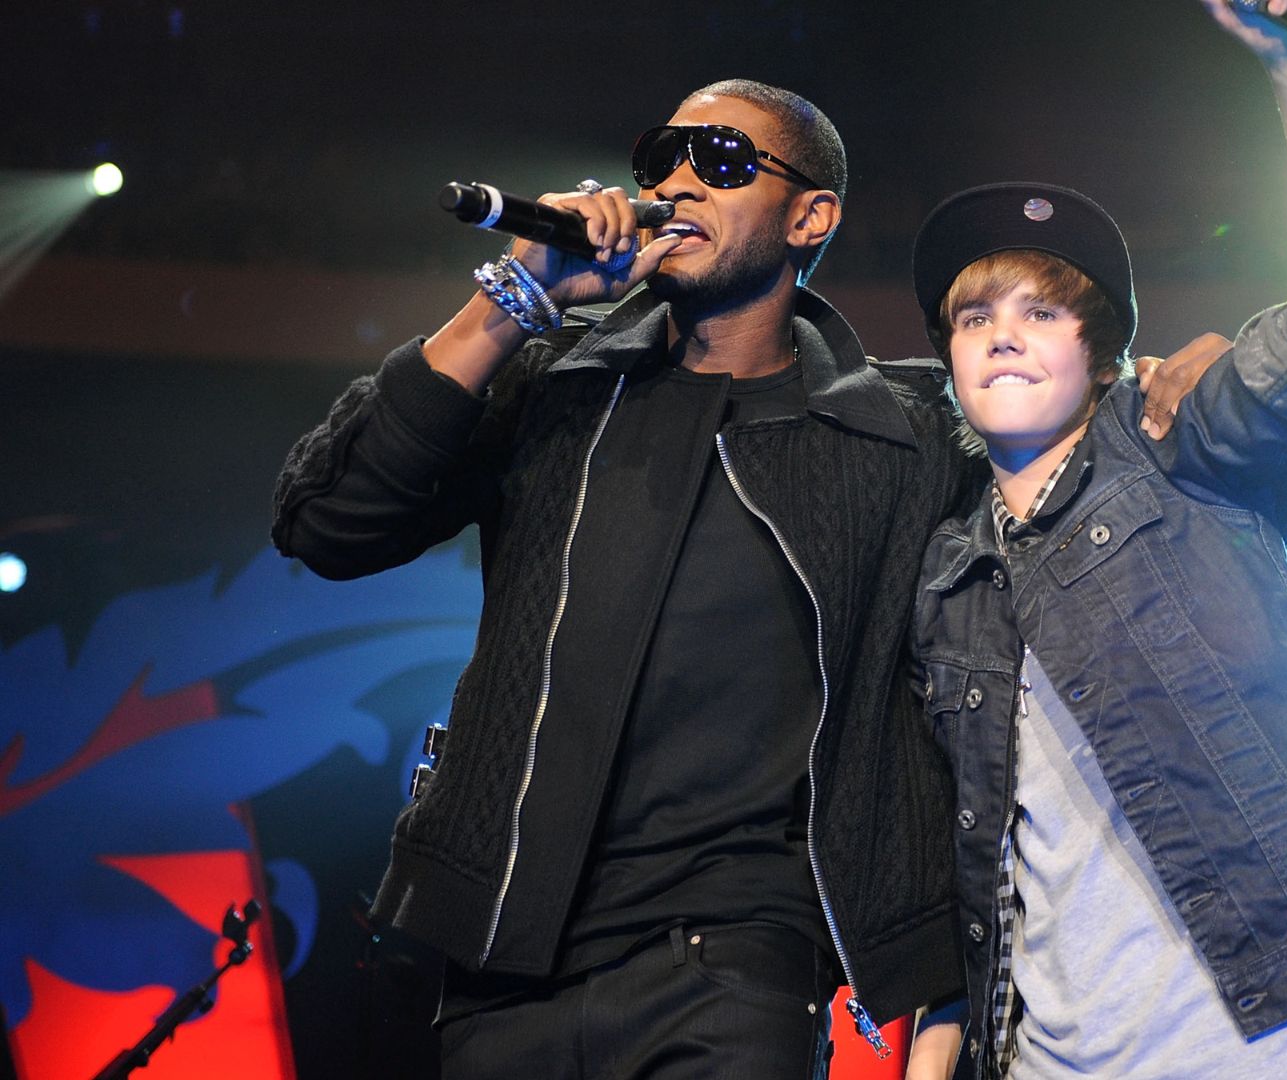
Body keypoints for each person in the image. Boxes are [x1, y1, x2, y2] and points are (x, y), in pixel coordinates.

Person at [272, 79, 989, 1079]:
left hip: (736, 958)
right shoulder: (554, 382)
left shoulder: (903, 433)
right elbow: (326, 519)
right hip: (506, 956)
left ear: (811, 214)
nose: (679, 183)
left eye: (724, 162)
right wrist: (514, 301)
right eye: (663, 158)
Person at [901, 3, 1287, 1076]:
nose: (1004, 331)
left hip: (1256, 1024)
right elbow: (963, 849)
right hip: (1043, 1051)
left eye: (1043, 311)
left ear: (1103, 356)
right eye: (976, 316)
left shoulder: (1173, 447)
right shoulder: (946, 570)